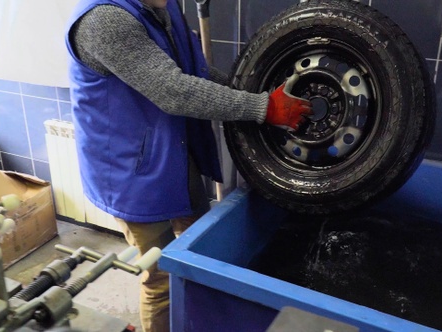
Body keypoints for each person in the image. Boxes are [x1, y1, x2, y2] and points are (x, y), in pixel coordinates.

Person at [64, 0, 312, 331]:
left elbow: (192, 73)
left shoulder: (162, 8)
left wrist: (256, 94)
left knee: (198, 253)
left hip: (172, 158)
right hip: (129, 174)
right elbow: (173, 90)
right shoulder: (104, 20)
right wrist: (261, 108)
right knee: (161, 279)